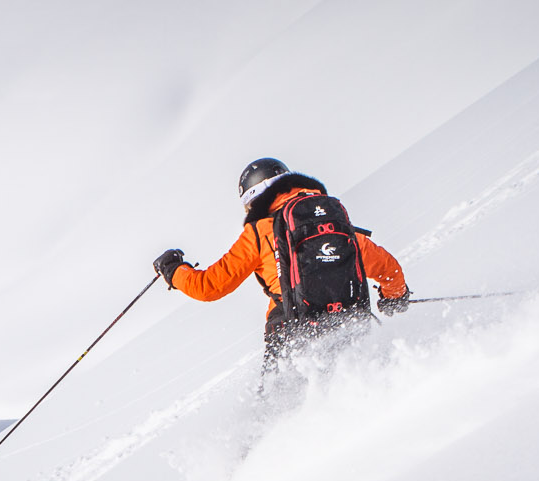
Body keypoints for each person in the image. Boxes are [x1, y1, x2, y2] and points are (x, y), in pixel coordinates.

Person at [153, 158, 409, 371]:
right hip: (349, 323)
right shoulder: (331, 221)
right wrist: (395, 296)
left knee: (283, 415)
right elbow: (388, 268)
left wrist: (173, 270)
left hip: (292, 336)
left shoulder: (260, 232)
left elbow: (209, 286)